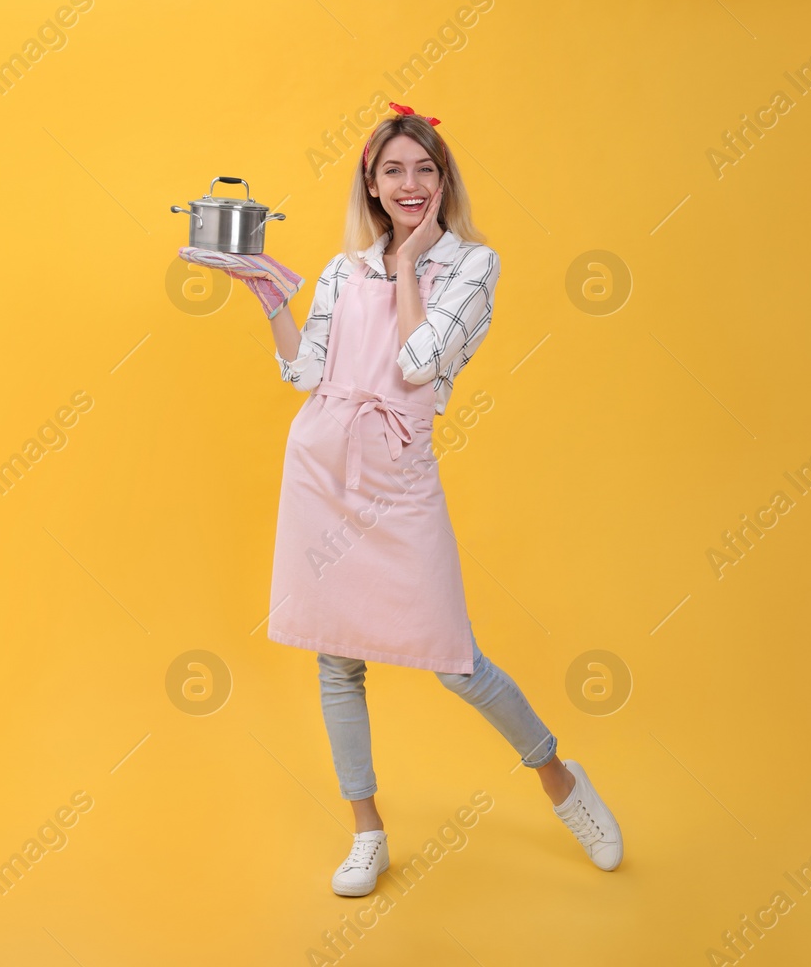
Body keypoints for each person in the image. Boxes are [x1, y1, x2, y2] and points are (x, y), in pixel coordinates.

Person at [197, 101, 623, 897]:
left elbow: (421, 363)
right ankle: (367, 831)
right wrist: (266, 294)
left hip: (396, 475)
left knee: (455, 663)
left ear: (444, 178)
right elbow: (305, 373)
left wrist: (406, 265)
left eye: (425, 169)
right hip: (323, 467)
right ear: (371, 181)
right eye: (393, 169)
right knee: (336, 659)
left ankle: (562, 781)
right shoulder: (338, 268)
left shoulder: (472, 265)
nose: (410, 184)